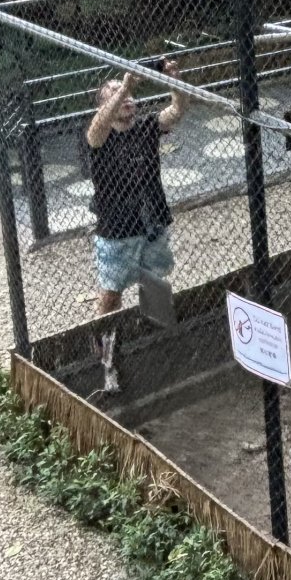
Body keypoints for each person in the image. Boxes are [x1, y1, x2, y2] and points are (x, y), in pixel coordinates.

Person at [84, 63, 187, 390]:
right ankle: (103, 351)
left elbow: (178, 110)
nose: (124, 98)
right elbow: (97, 128)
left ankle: (155, 342)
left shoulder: (146, 126)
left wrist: (175, 82)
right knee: (111, 295)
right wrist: (125, 86)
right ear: (103, 106)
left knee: (154, 281)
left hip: (151, 221)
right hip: (116, 230)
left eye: (126, 93)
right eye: (113, 95)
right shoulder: (99, 136)